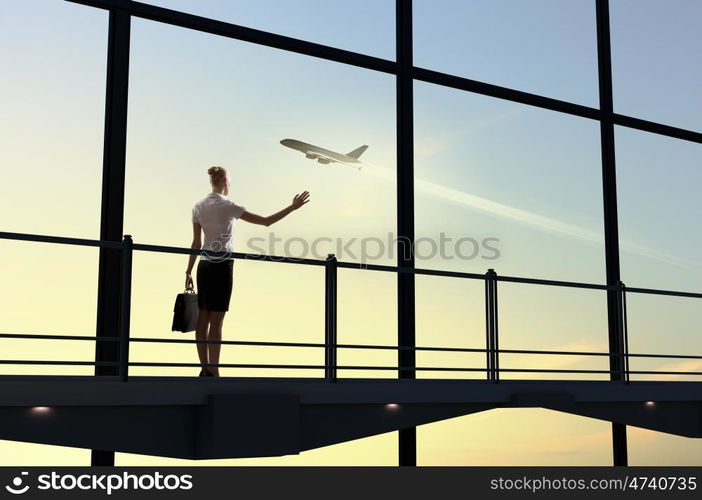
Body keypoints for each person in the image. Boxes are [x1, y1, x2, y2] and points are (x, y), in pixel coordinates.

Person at [185, 166, 310, 377]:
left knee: (202, 318)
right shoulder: (230, 206)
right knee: (216, 321)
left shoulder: (198, 207)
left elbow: (196, 242)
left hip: (204, 265)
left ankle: (204, 368)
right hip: (223, 266)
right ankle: (214, 370)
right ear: (225, 181)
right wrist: (292, 208)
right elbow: (266, 221)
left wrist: (188, 270)